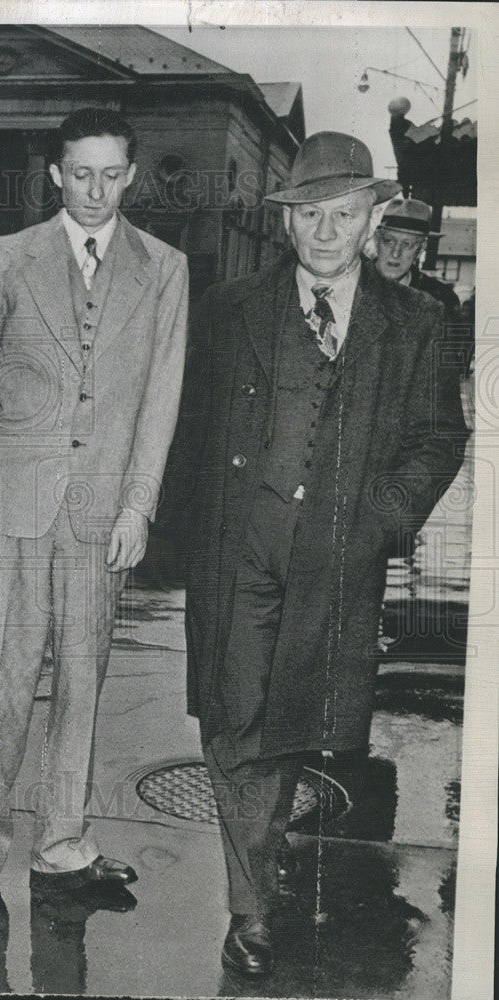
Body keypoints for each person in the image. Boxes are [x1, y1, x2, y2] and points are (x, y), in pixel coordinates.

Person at [169, 132, 469, 978]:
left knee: (294, 724)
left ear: (372, 220)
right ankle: (250, 907)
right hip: (239, 550)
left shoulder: (415, 324)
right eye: (310, 215)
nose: (326, 233)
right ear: (287, 222)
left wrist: (380, 518)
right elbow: (190, 428)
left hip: (338, 557)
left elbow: (438, 436)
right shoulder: (230, 309)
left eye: (343, 215)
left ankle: (261, 870)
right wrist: (183, 535)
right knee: (234, 719)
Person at [0, 107, 189, 918]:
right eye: (80, 173)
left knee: (83, 685)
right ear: (55, 173)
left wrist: (139, 505)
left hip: (98, 513)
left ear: (132, 174)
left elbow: (161, 400)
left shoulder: (164, 269)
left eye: (112, 174)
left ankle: (63, 847)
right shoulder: (5, 258)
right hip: (6, 504)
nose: (95, 190)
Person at [373, 198, 473, 374]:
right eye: (389, 241)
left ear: (421, 248)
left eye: (407, 244)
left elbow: (450, 370)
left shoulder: (442, 299)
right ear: (376, 240)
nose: (395, 253)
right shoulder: (349, 287)